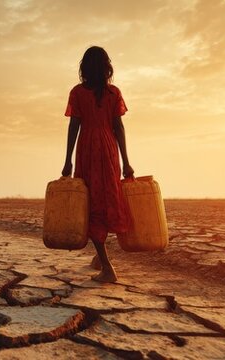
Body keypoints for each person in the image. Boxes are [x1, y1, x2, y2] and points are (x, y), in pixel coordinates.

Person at [61, 46, 134, 283]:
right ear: (106, 67)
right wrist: (126, 161)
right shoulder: (113, 93)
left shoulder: (78, 93)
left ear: (84, 67)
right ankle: (99, 257)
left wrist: (67, 160)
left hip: (88, 150)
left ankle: (107, 267)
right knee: (106, 200)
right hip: (109, 149)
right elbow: (119, 128)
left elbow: (74, 127)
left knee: (92, 204)